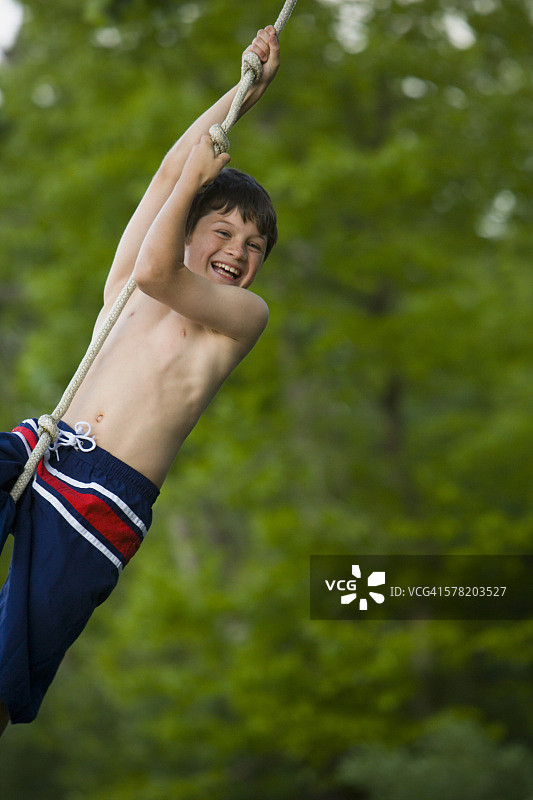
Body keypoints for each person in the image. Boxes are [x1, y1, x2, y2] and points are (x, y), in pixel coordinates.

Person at [0, 25, 280, 734]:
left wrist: (194, 182)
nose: (237, 251)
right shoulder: (128, 283)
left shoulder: (239, 318)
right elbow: (168, 175)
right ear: (187, 230)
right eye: (223, 232)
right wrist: (242, 93)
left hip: (99, 505)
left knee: (8, 662)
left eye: (254, 246)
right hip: (46, 444)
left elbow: (163, 260)